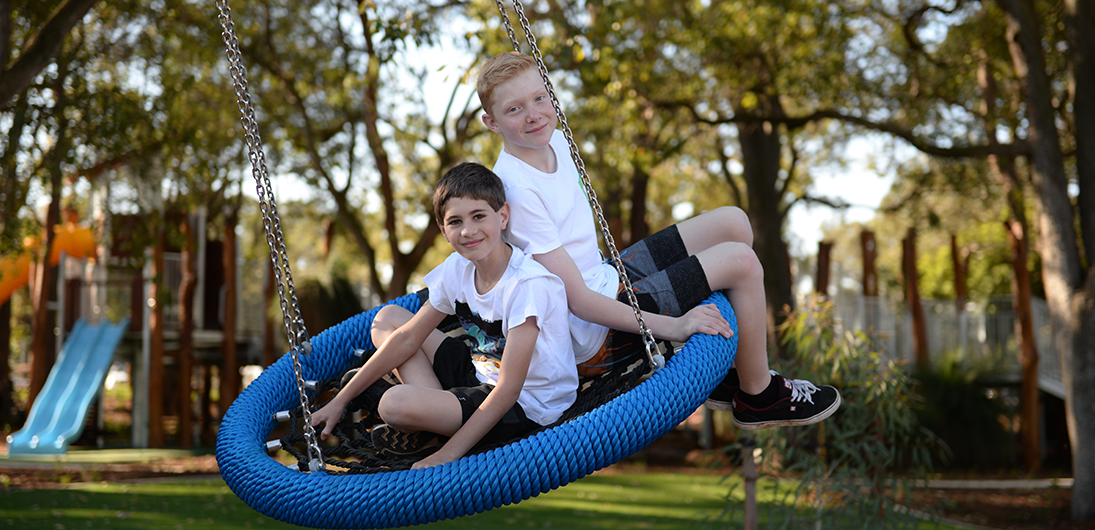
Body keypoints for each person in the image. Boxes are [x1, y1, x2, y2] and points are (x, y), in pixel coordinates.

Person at [475, 51, 840, 430]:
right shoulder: (516, 191)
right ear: (492, 122)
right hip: (590, 333)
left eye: (539, 98)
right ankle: (758, 396)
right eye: (515, 109)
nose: (534, 114)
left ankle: (733, 372)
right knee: (742, 263)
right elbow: (578, 301)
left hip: (605, 277)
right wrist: (674, 327)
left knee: (734, 222)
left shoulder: (556, 141)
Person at [310, 162, 578, 469]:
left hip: (527, 404)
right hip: (479, 371)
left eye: (479, 216)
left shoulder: (526, 285)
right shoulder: (457, 269)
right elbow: (408, 338)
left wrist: (447, 455)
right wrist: (339, 400)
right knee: (390, 318)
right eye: (455, 221)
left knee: (394, 404)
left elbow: (508, 389)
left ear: (502, 216)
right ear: (443, 230)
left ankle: (430, 427)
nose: (468, 231)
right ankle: (430, 420)